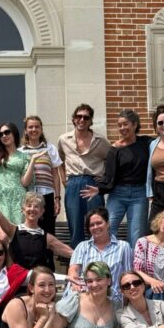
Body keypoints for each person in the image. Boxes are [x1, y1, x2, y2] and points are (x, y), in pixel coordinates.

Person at [80, 109, 152, 250]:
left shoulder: (146, 143)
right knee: (107, 229)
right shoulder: (115, 149)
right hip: (118, 194)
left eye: (125, 124)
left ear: (135, 125)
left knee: (136, 234)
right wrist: (100, 189)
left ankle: (132, 270)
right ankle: (104, 263)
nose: (122, 128)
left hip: (139, 194)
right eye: (119, 125)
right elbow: (109, 176)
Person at [0, 186, 72, 271]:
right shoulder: (13, 230)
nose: (32, 209)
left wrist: (85, 253)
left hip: (35, 283)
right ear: (23, 210)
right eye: (29, 206)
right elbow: (0, 216)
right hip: (16, 282)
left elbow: (70, 252)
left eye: (36, 206)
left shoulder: (46, 237)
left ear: (42, 212)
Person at [57, 104, 110, 249]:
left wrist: (104, 181)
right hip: (73, 183)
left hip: (92, 183)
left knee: (97, 225)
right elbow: (59, 161)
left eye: (86, 117)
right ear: (73, 119)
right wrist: (64, 181)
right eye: (79, 116)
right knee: (75, 226)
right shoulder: (63, 139)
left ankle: (98, 262)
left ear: (90, 120)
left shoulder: (100, 140)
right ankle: (78, 264)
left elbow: (111, 160)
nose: (82, 120)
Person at [66, 207, 132, 305]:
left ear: (108, 223)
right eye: (92, 225)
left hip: (112, 299)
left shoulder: (123, 247)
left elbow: (128, 275)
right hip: (85, 296)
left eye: (99, 223)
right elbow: (73, 270)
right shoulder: (82, 246)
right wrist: (75, 282)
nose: (95, 227)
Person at [19, 115, 63, 238]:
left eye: (37, 127)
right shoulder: (21, 152)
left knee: (48, 231)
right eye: (30, 127)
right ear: (26, 130)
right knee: (29, 231)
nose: (34, 129)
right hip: (28, 196)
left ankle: (48, 257)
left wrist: (57, 198)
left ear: (41, 129)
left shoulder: (50, 148)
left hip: (47, 195)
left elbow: (55, 175)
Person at [0, 122, 31, 227]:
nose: (4, 136)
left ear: (14, 133)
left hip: (18, 200)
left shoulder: (24, 156)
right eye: (1, 134)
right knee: (2, 235)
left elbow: (25, 182)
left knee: (16, 237)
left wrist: (33, 161)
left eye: (7, 132)